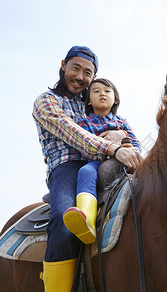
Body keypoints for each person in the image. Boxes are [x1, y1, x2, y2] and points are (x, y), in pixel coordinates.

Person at [32, 46, 143, 291]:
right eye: (76, 69)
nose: (81, 77)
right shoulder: (47, 101)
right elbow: (73, 133)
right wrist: (112, 148)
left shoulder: (90, 101)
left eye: (88, 73)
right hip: (68, 167)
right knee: (63, 219)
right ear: (63, 65)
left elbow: (115, 122)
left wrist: (121, 137)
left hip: (106, 163)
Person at [63, 78, 141, 245]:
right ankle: (86, 217)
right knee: (85, 171)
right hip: (98, 161)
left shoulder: (121, 122)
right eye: (96, 91)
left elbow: (136, 144)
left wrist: (129, 146)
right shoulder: (83, 123)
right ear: (89, 101)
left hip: (125, 161)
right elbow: (84, 147)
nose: (102, 94)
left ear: (115, 99)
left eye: (107, 91)